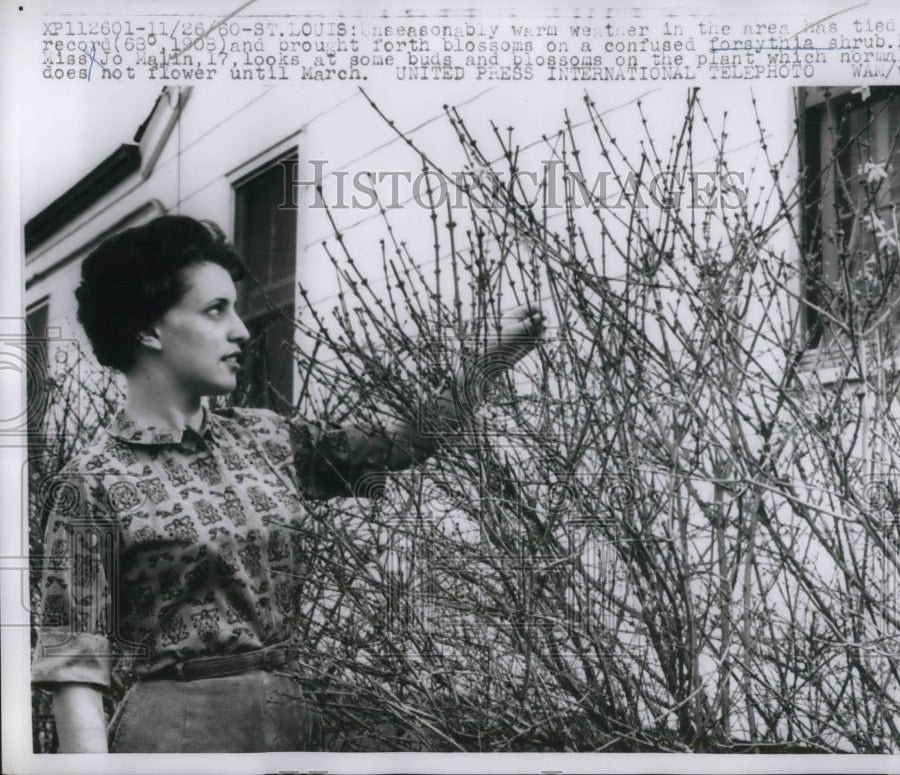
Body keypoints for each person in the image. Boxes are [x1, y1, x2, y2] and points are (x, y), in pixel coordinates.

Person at [31, 215, 544, 753]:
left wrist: (487, 360)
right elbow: (74, 666)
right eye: (214, 310)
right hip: (177, 739)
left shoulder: (270, 438)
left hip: (292, 722)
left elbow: (405, 442)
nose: (241, 330)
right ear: (148, 329)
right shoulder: (93, 482)